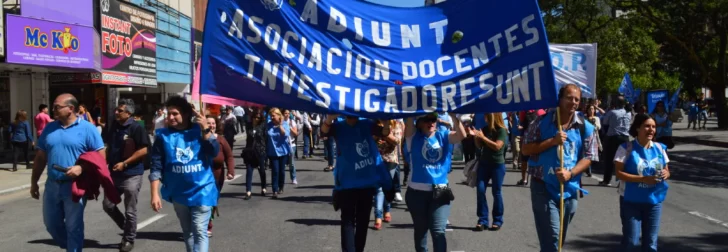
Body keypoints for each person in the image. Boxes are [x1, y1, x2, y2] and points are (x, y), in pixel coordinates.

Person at [522, 84, 598, 252]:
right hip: (543, 187)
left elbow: (590, 156)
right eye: (569, 98)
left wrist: (570, 174)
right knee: (553, 240)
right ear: (560, 99)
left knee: (558, 241)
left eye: (577, 99)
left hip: (569, 189)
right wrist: (552, 141)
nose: (573, 102)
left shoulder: (585, 126)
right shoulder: (541, 122)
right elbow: (525, 149)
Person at [30, 93, 106, 251]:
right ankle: (70, 246)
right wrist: (33, 182)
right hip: (52, 185)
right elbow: (40, 157)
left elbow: (100, 157)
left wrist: (81, 168)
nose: (53, 110)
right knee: (51, 224)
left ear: (71, 108)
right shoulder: (50, 128)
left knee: (74, 227)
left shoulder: (88, 129)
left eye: (57, 107)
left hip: (74, 186)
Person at [149, 96, 220, 252]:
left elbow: (214, 151)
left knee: (200, 231)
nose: (170, 117)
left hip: (203, 190)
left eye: (175, 113)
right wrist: (154, 194)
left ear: (187, 114)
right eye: (169, 114)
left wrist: (206, 130)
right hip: (178, 192)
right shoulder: (162, 136)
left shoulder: (200, 130)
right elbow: (156, 166)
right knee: (187, 232)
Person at [321, 114, 393, 252]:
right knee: (348, 221)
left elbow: (384, 133)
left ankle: (358, 249)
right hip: (347, 183)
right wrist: (330, 118)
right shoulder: (338, 126)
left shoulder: (366, 124)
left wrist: (386, 122)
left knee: (362, 221)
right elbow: (324, 132)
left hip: (366, 183)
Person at [403, 112, 466, 252]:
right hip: (416, 193)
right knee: (421, 231)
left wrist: (454, 117)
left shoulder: (443, 135)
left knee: (438, 231)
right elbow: (409, 120)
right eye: (427, 120)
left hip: (440, 192)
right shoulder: (413, 137)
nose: (431, 122)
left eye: (433, 119)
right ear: (419, 123)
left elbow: (462, 136)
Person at [614, 113, 671, 251]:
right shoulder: (626, 148)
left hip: (653, 202)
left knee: (651, 243)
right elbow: (618, 173)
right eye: (647, 126)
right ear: (638, 128)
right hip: (630, 201)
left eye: (653, 126)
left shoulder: (659, 148)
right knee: (631, 242)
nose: (651, 129)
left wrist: (666, 173)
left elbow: (667, 170)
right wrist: (644, 179)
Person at [101, 99, 149, 252]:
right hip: (114, 173)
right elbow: (106, 146)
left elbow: (144, 150)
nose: (116, 112)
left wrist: (125, 163)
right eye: (116, 109)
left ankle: (128, 239)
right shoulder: (113, 126)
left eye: (120, 110)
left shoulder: (136, 128)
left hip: (132, 174)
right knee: (108, 205)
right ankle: (126, 226)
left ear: (129, 113)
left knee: (130, 209)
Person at [468, 113, 507, 231]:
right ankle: (483, 220)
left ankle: (497, 220)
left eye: (487, 116)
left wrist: (483, 137)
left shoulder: (502, 130)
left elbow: (497, 146)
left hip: (497, 165)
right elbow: (479, 146)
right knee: (480, 190)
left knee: (496, 192)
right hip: (484, 164)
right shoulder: (485, 129)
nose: (484, 117)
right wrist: (476, 137)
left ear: (493, 117)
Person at [205, 115, 235, 237]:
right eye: (208, 123)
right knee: (203, 202)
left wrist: (230, 171)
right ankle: (203, 225)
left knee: (212, 201)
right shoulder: (199, 139)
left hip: (217, 177)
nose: (211, 126)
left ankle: (208, 225)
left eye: (213, 123)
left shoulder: (221, 140)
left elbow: (229, 156)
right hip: (201, 177)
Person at [373, 119, 403, 230]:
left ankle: (387, 209)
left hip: (390, 160)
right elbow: (369, 139)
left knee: (386, 188)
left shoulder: (396, 124)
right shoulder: (374, 123)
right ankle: (378, 216)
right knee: (379, 189)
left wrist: (385, 135)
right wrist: (376, 137)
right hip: (376, 160)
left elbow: (397, 141)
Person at [601, 94, 632, 186]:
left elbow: (605, 123)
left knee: (609, 159)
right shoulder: (628, 113)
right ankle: (622, 181)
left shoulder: (612, 112)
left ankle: (607, 180)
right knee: (623, 160)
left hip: (613, 137)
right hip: (625, 138)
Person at [517, 109, 546, 186]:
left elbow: (521, 122)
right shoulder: (541, 111)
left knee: (525, 160)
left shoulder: (524, 110)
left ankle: (525, 179)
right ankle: (531, 179)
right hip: (536, 139)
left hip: (529, 139)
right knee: (534, 159)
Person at [266, 108, 291, 198]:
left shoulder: (285, 124)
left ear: (278, 115)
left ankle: (281, 186)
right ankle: (274, 190)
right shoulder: (269, 125)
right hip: (273, 152)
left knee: (281, 171)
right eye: (271, 116)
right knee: (275, 171)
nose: (272, 117)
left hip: (283, 151)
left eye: (273, 115)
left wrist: (280, 125)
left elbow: (285, 134)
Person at [243, 110, 267, 199]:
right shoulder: (248, 126)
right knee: (249, 171)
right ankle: (248, 191)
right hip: (250, 152)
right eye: (255, 117)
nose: (256, 119)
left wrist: (265, 152)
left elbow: (265, 139)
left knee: (261, 170)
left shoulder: (263, 126)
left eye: (258, 118)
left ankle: (263, 187)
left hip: (260, 151)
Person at [584, 104, 602, 177]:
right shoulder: (584, 118)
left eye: (592, 109)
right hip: (586, 138)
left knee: (591, 155)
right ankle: (588, 169)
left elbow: (598, 127)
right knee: (586, 154)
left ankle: (588, 167)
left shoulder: (596, 118)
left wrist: (593, 123)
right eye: (590, 109)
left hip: (594, 138)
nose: (591, 110)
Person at [282, 109, 299, 185]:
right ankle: (281, 180)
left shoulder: (292, 122)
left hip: (291, 145)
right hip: (283, 145)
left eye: (288, 113)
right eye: (285, 113)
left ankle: (294, 178)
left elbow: (296, 133)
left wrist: (290, 127)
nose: (287, 114)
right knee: (282, 163)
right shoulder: (281, 122)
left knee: (291, 163)